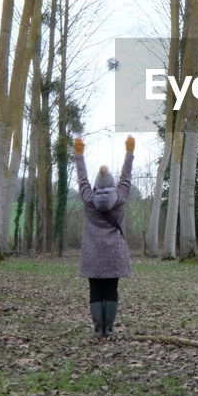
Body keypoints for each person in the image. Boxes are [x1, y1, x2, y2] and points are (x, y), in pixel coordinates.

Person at [73, 134, 134, 338]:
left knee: (95, 292)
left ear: (97, 185)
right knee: (111, 291)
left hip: (92, 253)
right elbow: (126, 177)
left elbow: (82, 179)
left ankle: (98, 329)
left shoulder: (88, 198)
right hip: (115, 252)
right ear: (112, 184)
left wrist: (79, 154)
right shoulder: (121, 197)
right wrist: (129, 152)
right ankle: (109, 329)